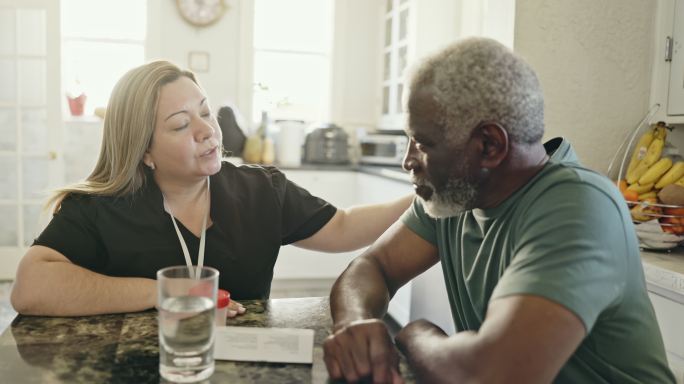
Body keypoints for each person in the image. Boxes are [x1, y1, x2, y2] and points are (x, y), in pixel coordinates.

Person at [323, 37, 675, 383]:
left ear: (489, 145)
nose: (407, 161)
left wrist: (414, 334)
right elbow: (373, 266)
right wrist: (355, 322)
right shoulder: (457, 197)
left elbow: (490, 374)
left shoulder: (580, 206)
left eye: (423, 143)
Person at [10, 60, 413, 317]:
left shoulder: (261, 190)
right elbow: (30, 288)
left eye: (205, 112)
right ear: (144, 151)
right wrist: (162, 292)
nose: (208, 131)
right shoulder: (100, 207)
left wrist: (425, 199)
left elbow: (343, 226)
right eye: (181, 124)